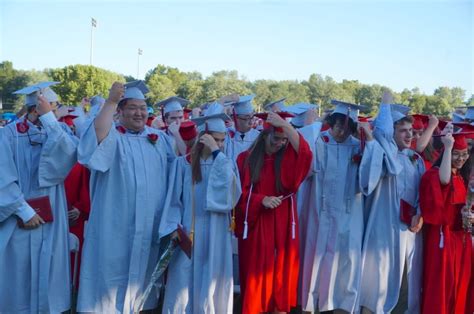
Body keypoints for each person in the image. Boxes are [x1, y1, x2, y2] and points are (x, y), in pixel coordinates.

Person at [76, 80, 175, 313]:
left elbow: (174, 175)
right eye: (132, 107)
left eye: (143, 108)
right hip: (116, 224)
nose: (139, 113)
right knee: (111, 274)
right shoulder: (113, 136)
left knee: (143, 280)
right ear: (119, 112)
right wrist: (110, 101)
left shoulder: (158, 139)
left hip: (149, 224)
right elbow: (96, 137)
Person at [0, 82, 78, 313]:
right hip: (17, 217)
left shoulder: (59, 132)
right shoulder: (8, 135)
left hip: (51, 215)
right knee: (18, 280)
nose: (55, 115)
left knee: (49, 276)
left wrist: (51, 122)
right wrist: (23, 210)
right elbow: (1, 175)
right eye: (52, 109)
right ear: (36, 109)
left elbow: (67, 159)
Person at [300, 100, 383, 313]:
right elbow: (305, 163)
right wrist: (317, 121)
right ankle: (312, 299)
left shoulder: (358, 146)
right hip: (321, 208)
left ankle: (343, 302)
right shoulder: (320, 141)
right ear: (331, 123)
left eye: (347, 129)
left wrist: (370, 139)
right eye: (338, 126)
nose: (341, 133)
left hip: (348, 212)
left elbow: (369, 180)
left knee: (346, 258)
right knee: (316, 253)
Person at [159, 102, 242, 313]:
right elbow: (173, 201)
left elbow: (232, 195)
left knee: (212, 278)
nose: (220, 144)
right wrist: (174, 229)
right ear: (203, 137)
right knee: (184, 282)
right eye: (216, 140)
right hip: (190, 230)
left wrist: (216, 152)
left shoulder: (225, 164)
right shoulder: (183, 164)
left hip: (217, 231)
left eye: (223, 140)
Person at [235, 111, 312, 314]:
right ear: (264, 135)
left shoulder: (286, 158)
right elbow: (237, 196)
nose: (280, 143)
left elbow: (305, 154)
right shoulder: (245, 159)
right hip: (258, 221)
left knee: (281, 272)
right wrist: (261, 200)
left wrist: (286, 127)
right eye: (276, 138)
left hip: (284, 219)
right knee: (257, 274)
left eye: (284, 140)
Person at [359, 96, 425, 314]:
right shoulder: (383, 158)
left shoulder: (415, 158)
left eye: (411, 130)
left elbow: (422, 193)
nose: (409, 135)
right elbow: (369, 180)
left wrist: (421, 214)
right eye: (403, 131)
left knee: (408, 280)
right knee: (378, 279)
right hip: (384, 227)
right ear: (391, 133)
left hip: (409, 230)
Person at [419, 132, 472, 314]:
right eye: (457, 153)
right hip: (443, 237)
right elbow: (444, 179)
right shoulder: (436, 174)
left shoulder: (463, 177)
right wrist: (449, 147)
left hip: (461, 238)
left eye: (464, 153)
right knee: (442, 283)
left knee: (459, 283)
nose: (461, 158)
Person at [225, 94, 261, 160]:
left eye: (252, 118)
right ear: (234, 118)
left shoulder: (258, 136)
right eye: (246, 118)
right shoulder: (227, 136)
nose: (251, 122)